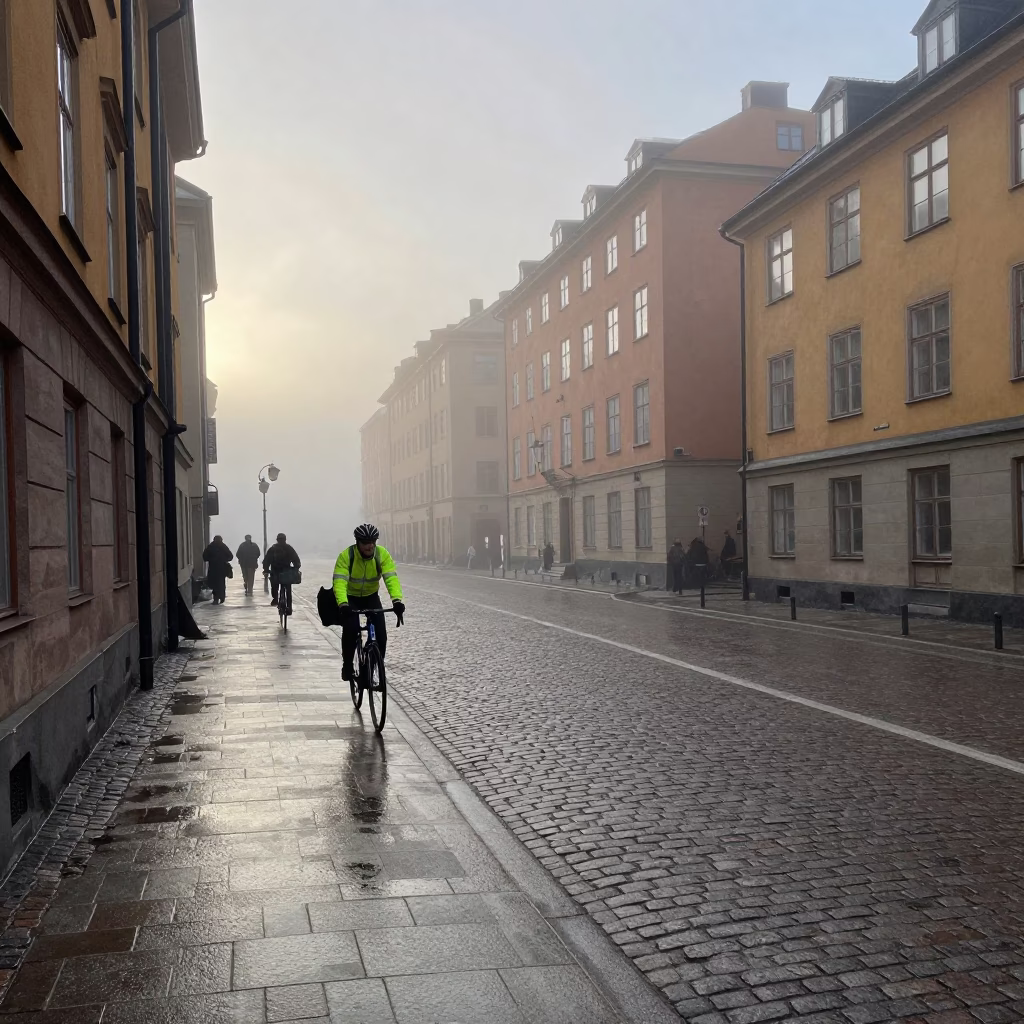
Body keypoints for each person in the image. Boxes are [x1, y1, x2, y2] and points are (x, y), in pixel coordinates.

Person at [334, 524, 405, 684]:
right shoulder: (346, 556)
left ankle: (370, 670)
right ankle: (347, 665)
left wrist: (397, 600)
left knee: (381, 635)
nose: (370, 545)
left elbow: (391, 578)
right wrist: (343, 604)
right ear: (358, 542)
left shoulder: (382, 555)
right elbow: (339, 582)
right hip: (350, 597)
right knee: (351, 630)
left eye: (373, 542)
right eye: (365, 542)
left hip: (371, 596)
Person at [263, 532, 301, 607]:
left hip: (275, 571)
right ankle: (289, 606)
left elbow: (267, 560)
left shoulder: (273, 549)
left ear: (277, 540)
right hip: (286, 571)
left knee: (274, 586)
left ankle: (275, 599)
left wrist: (266, 570)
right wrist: (296, 567)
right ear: (285, 540)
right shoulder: (289, 548)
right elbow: (295, 559)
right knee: (288, 588)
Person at [202, 535, 233, 605]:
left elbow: (205, 557)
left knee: (214, 584)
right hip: (222, 569)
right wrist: (224, 560)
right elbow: (230, 556)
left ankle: (216, 599)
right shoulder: (223, 547)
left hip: (213, 569)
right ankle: (221, 597)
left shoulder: (210, 547)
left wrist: (211, 559)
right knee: (221, 583)